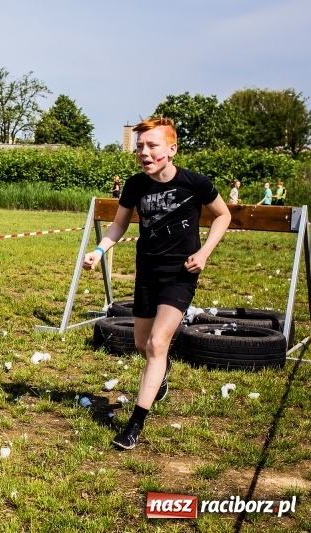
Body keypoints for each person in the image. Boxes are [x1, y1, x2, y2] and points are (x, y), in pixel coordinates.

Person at [83, 117, 230, 450]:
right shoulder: (136, 186)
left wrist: (205, 251)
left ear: (171, 149)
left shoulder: (195, 183)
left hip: (180, 275)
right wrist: (99, 251)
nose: (144, 153)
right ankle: (160, 374)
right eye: (139, 147)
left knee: (156, 345)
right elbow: (118, 226)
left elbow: (223, 215)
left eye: (152, 146)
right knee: (141, 343)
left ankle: (134, 425)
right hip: (146, 272)